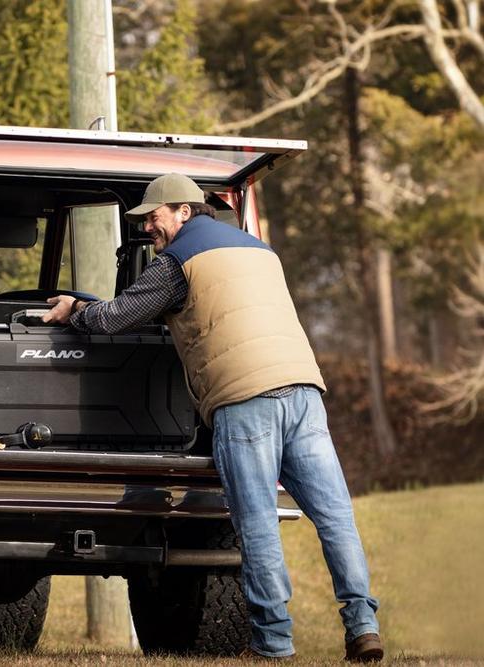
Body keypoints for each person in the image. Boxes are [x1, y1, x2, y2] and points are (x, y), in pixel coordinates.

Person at [43, 173, 383, 662]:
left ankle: (272, 643)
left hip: (245, 400)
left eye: (153, 217)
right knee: (335, 518)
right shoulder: (258, 249)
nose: (147, 229)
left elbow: (116, 318)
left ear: (184, 210)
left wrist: (76, 308)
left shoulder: (176, 261)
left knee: (257, 523)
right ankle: (363, 627)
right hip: (304, 391)